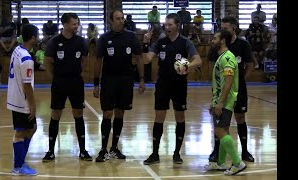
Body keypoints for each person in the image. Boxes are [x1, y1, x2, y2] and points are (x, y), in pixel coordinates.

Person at [141, 13, 202, 165]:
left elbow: (198, 60)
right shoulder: (160, 42)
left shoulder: (185, 42)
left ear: (177, 25)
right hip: (162, 84)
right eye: (165, 25)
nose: (167, 27)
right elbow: (147, 59)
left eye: (170, 25)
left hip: (179, 85)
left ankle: (176, 153)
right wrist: (145, 43)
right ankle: (155, 154)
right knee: (159, 117)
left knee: (180, 118)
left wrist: (187, 65)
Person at [93, 9, 145, 162]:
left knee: (120, 113)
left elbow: (139, 58)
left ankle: (114, 147)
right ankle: (103, 149)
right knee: (107, 113)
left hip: (126, 80)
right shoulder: (104, 38)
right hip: (109, 80)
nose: (121, 20)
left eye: (122, 18)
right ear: (111, 21)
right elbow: (98, 61)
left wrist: (141, 79)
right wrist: (96, 83)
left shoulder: (131, 37)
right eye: (118, 18)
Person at [42, 13, 92, 162]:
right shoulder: (54, 42)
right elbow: (47, 62)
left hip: (76, 82)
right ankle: (50, 151)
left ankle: (83, 151)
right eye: (74, 24)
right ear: (65, 25)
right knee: (56, 113)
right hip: (59, 83)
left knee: (78, 114)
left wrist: (74, 73)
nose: (76, 26)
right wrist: (56, 78)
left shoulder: (81, 42)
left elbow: (83, 60)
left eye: (77, 23)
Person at [208, 16, 255, 163]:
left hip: (236, 90)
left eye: (226, 27)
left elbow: (250, 64)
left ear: (233, 27)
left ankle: (243, 153)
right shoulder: (217, 48)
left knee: (239, 118)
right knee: (221, 123)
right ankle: (218, 154)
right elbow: (211, 66)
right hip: (222, 90)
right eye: (222, 27)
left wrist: (240, 81)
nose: (223, 30)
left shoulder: (241, 45)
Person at [204, 29, 246, 176]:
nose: (212, 41)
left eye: (214, 38)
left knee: (219, 130)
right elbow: (219, 83)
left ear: (222, 41)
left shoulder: (227, 58)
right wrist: (214, 101)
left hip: (226, 101)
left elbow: (228, 82)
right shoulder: (221, 57)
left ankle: (237, 163)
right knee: (224, 130)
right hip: (221, 100)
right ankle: (220, 163)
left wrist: (221, 102)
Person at [7, 24, 39, 176]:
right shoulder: (27, 58)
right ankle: (18, 166)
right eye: (37, 37)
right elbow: (27, 86)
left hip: (15, 97)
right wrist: (32, 106)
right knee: (20, 133)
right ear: (32, 37)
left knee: (31, 128)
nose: (38, 39)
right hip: (21, 101)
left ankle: (20, 161)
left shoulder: (17, 50)